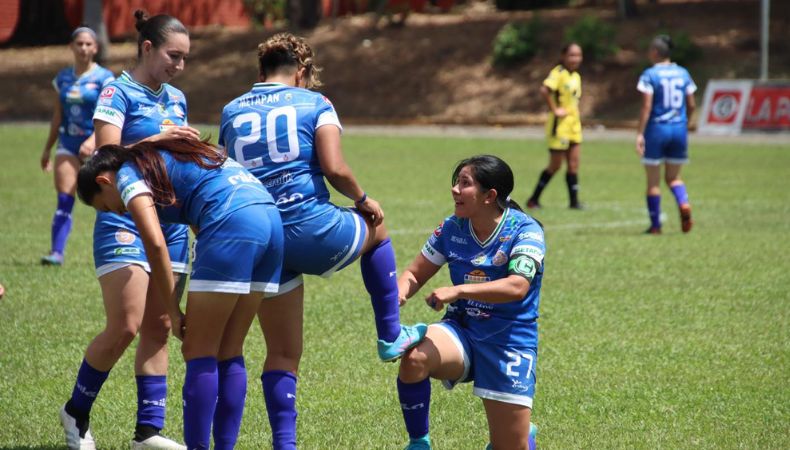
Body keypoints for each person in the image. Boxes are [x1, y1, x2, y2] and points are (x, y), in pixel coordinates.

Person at [218, 33, 426, 449]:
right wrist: (363, 199)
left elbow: (227, 175)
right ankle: (390, 335)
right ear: (301, 70)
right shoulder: (315, 103)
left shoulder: (231, 110)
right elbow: (334, 167)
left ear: (261, 70)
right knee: (377, 230)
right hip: (308, 229)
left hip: (256, 236)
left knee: (280, 352)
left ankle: (284, 444)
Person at [77, 138, 284, 450]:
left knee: (198, 350)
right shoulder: (161, 157)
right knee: (229, 349)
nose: (116, 211)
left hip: (232, 221)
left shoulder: (128, 174)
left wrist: (172, 311)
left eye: (106, 206)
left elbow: (155, 243)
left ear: (104, 180)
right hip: (269, 220)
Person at [59, 10, 197, 450]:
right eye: (173, 56)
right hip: (124, 219)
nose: (179, 65)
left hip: (172, 224)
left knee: (161, 325)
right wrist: (157, 141)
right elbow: (105, 156)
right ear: (147, 48)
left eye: (185, 58)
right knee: (126, 325)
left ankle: (148, 432)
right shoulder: (116, 92)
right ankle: (76, 413)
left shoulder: (177, 98)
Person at [396, 155, 543, 450]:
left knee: (510, 446)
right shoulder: (452, 228)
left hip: (508, 339)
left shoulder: (525, 231)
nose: (455, 190)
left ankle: (521, 435)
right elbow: (414, 274)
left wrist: (459, 291)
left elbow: (517, 287)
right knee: (414, 358)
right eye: (456, 182)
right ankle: (418, 443)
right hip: (462, 329)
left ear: (489, 196)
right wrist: (396, 296)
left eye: (465, 183)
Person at [39, 26, 114, 266]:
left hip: (96, 146)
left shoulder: (105, 78)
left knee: (107, 200)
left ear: (95, 48)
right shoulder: (62, 79)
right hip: (67, 145)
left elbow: (109, 114)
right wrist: (47, 148)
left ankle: (115, 249)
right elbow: (57, 116)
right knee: (64, 199)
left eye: (88, 44)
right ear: (71, 46)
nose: (83, 48)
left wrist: (93, 140)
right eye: (79, 43)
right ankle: (56, 253)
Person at [636, 35, 696, 234]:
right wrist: (686, 123)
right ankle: (683, 202)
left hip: (657, 129)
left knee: (653, 182)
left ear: (655, 52)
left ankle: (655, 226)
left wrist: (640, 133)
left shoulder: (650, 74)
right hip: (679, 129)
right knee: (674, 177)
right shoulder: (683, 73)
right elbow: (691, 104)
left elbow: (646, 106)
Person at [526, 42, 585, 210]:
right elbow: (544, 90)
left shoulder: (576, 76)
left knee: (574, 164)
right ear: (563, 56)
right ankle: (533, 199)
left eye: (578, 55)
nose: (575, 59)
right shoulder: (558, 73)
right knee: (555, 165)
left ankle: (574, 202)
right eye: (572, 55)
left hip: (574, 125)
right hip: (559, 127)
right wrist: (555, 109)